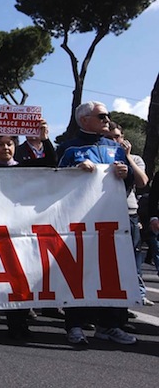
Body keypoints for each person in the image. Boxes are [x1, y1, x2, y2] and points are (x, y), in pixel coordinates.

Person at [57, 101, 136, 346]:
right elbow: (54, 180)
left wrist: (126, 173)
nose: (106, 119)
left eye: (107, 116)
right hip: (78, 222)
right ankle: (75, 325)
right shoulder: (68, 148)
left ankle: (109, 325)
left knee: (111, 272)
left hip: (111, 221)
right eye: (101, 115)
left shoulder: (115, 147)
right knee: (78, 271)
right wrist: (75, 169)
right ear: (84, 120)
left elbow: (129, 184)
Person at [0, 121, 56, 339]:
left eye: (9, 144)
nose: (5, 148)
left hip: (21, 230)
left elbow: (51, 162)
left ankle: (18, 322)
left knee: (21, 276)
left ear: (15, 147)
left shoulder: (25, 167)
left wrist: (45, 138)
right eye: (0, 144)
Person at [106, 122, 152, 306]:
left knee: (133, 258)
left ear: (123, 138)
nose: (115, 141)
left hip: (129, 212)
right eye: (110, 138)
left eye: (117, 137)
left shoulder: (135, 158)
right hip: (106, 214)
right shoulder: (101, 156)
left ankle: (136, 296)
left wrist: (127, 158)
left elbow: (142, 182)